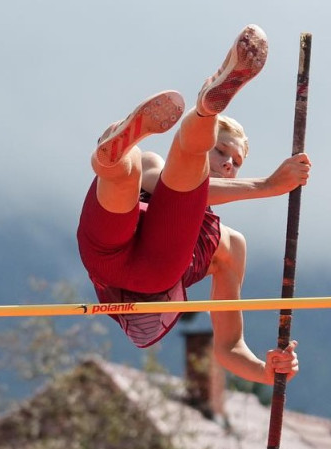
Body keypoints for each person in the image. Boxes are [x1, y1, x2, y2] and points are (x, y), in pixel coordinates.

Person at [77, 24, 311, 385]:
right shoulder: (162, 171)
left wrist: (267, 372)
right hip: (113, 245)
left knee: (164, 177)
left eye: (236, 162)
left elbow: (229, 347)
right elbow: (189, 188)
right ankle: (135, 145)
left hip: (152, 270)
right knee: (138, 167)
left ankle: (202, 110)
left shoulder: (230, 246)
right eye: (221, 151)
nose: (229, 164)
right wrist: (267, 186)